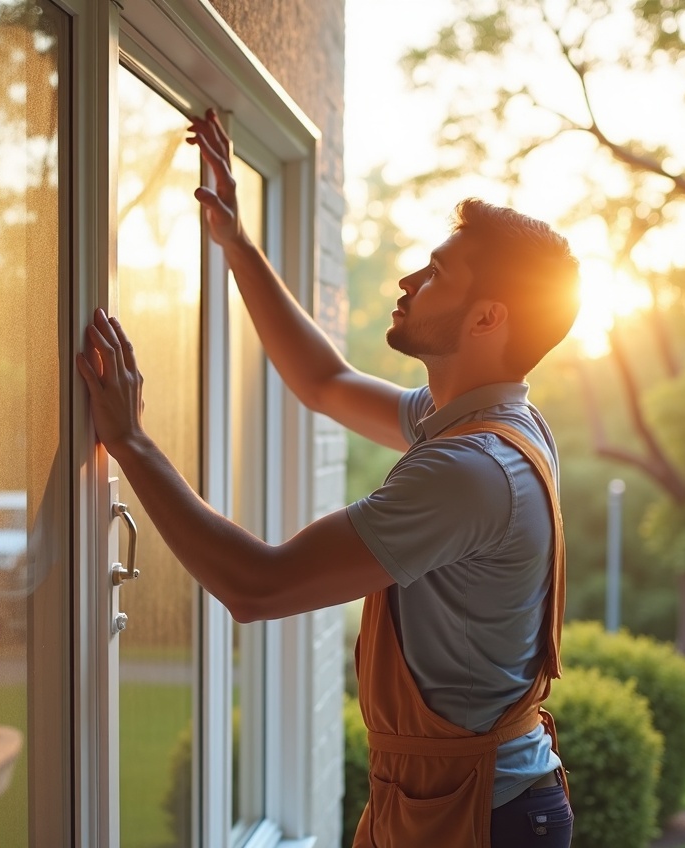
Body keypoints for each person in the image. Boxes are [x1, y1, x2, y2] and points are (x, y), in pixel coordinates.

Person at [75, 109, 581, 848]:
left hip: (483, 817)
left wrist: (129, 441)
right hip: (468, 799)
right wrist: (237, 244)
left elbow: (259, 587)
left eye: (437, 272)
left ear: (486, 319)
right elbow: (325, 381)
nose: (409, 279)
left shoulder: (471, 469)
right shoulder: (490, 423)